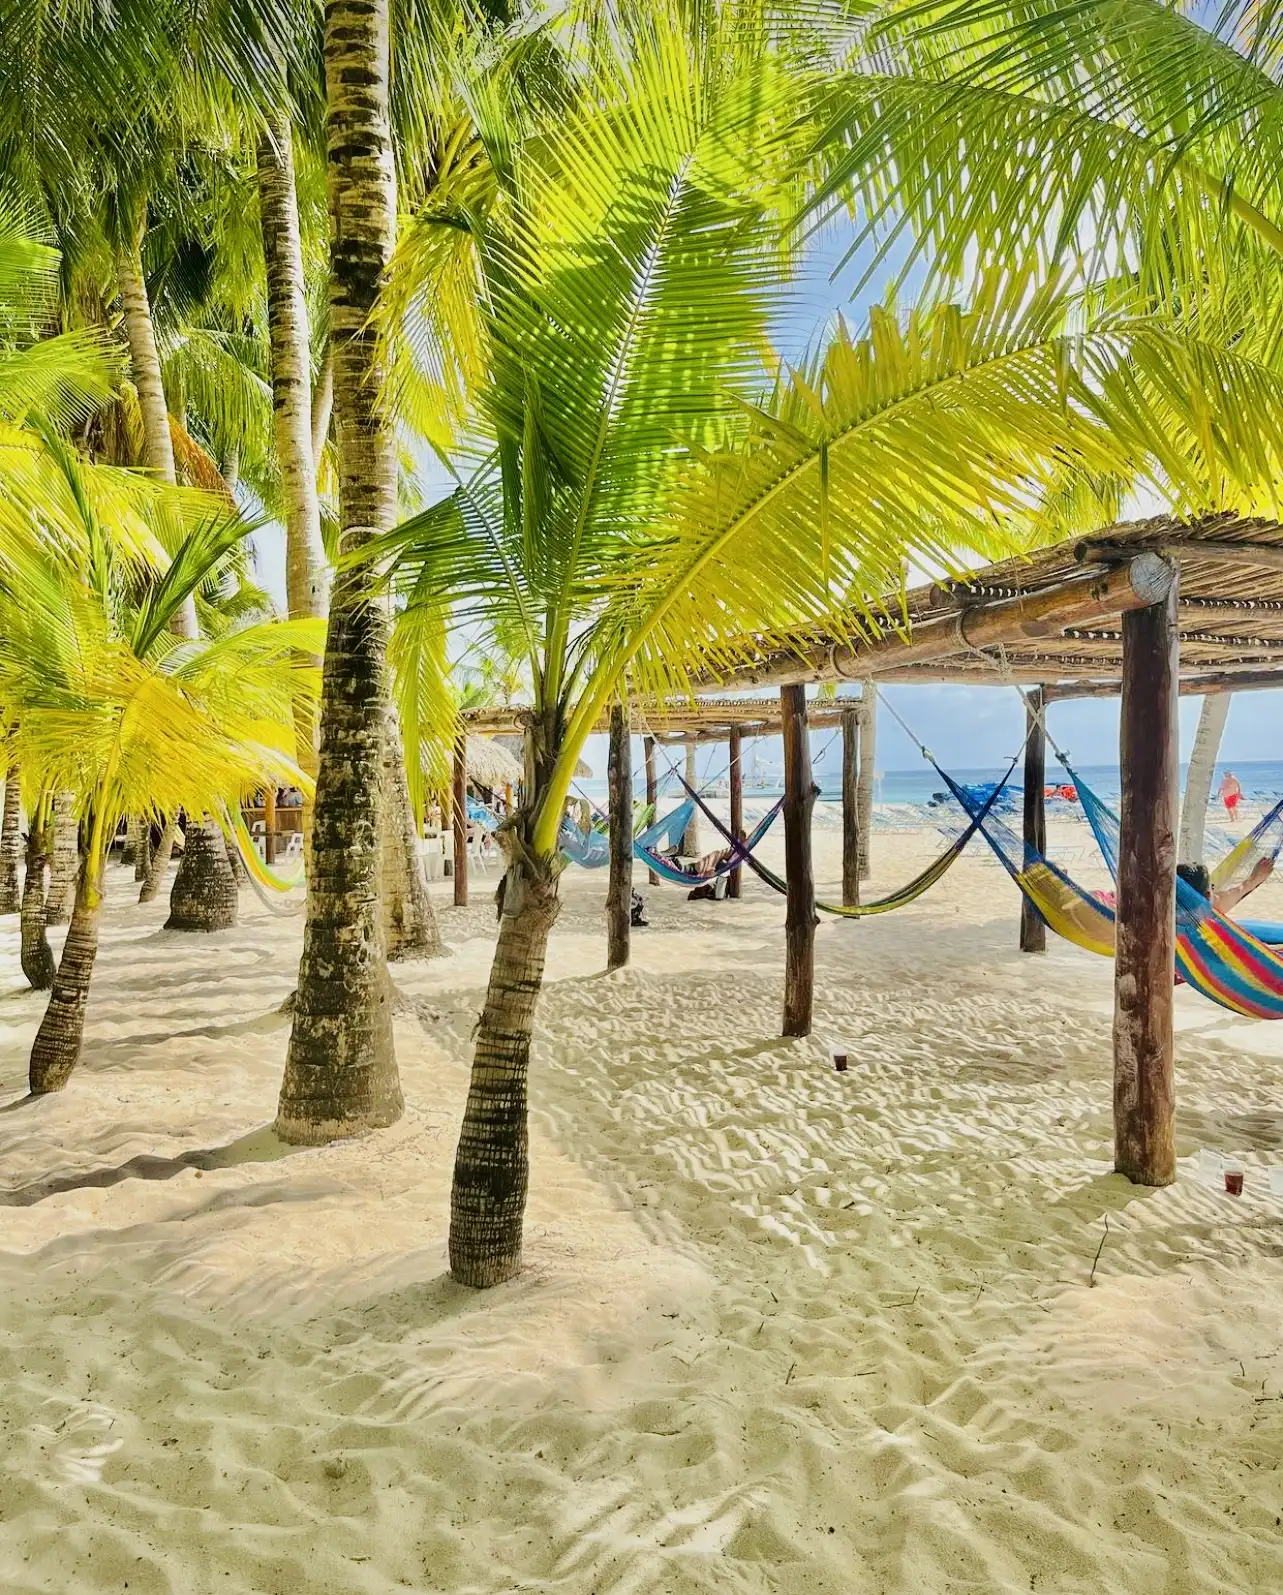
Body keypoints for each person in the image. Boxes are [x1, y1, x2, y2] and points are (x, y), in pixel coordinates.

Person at [1177, 856, 1274, 915]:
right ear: (1206, 896)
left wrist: (1254, 880)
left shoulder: (1171, 909)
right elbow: (1219, 902)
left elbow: (1220, 900)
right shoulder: (1204, 917)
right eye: (1212, 888)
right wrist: (1254, 880)